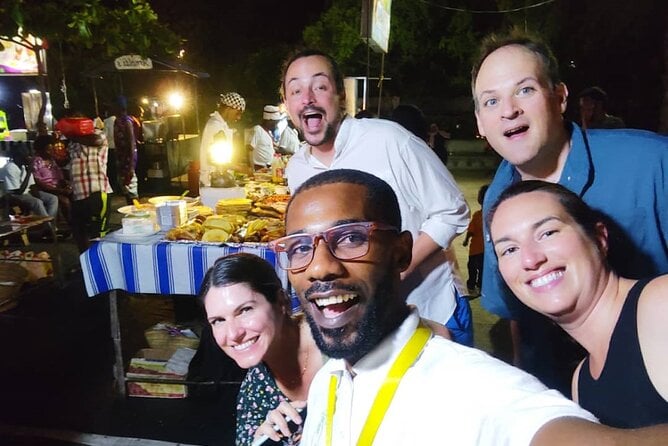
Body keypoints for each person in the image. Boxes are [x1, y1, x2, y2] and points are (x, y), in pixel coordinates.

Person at [266, 168, 668, 444]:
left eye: (352, 238)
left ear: (403, 253)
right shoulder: (328, 383)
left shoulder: (473, 387)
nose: (320, 266)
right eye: (299, 247)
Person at [472, 29, 668, 390]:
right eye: (491, 101)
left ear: (560, 97)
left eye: (525, 90)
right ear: (480, 123)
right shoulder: (498, 204)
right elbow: (519, 317)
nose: (509, 110)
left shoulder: (652, 163)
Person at [281, 49, 473, 345]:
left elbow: (453, 210)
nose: (307, 98)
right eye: (295, 90)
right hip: (364, 321)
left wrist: (395, 270)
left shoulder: (390, 140)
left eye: (319, 86)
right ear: (287, 103)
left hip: (432, 309)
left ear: (341, 96)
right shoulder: (297, 169)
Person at [487, 180, 668, 428]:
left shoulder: (660, 306)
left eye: (548, 233)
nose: (530, 259)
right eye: (509, 250)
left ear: (599, 238)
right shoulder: (581, 382)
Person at [199, 253, 322, 445]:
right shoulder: (255, 390)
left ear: (281, 302)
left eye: (245, 310)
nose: (233, 334)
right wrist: (263, 441)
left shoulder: (337, 344)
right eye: (218, 321)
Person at [63, 120, 113, 252]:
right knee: (80, 233)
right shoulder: (72, 142)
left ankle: (100, 267)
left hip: (96, 191)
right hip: (78, 194)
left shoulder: (96, 134)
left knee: (98, 236)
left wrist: (70, 134)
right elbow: (67, 162)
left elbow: (96, 141)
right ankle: (86, 264)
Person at [0, 143, 59, 225]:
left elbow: (32, 185)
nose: (28, 157)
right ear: (18, 157)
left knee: (53, 199)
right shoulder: (10, 168)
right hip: (13, 195)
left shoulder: (24, 166)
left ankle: (49, 225)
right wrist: (29, 172)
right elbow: (19, 191)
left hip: (27, 192)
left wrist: (38, 195)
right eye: (25, 155)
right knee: (37, 202)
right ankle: (49, 227)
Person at [199, 92, 246, 186]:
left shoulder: (221, 124)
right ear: (229, 108)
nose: (238, 117)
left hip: (219, 180)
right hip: (213, 181)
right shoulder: (216, 126)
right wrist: (240, 168)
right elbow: (216, 159)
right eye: (237, 113)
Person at [31, 134, 73, 226]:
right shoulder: (36, 162)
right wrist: (59, 190)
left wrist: (66, 185)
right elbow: (38, 182)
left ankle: (75, 225)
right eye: (48, 150)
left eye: (51, 149)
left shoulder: (52, 160)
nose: (51, 152)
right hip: (45, 190)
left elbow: (60, 177)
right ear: (40, 150)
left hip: (57, 188)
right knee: (65, 201)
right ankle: (67, 226)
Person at [463, 184, 488, 295]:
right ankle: (479, 286)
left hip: (475, 250)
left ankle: (472, 285)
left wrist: (466, 240)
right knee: (482, 269)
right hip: (486, 251)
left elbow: (471, 231)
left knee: (472, 268)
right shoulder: (493, 216)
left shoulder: (478, 215)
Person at [113, 96, 138, 204]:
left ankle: (137, 213)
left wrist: (131, 167)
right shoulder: (117, 121)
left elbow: (132, 144)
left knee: (131, 188)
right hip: (122, 159)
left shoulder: (127, 121)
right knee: (126, 189)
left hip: (128, 160)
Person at [247, 105, 281, 169]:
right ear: (269, 120)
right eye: (275, 123)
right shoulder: (257, 129)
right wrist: (251, 169)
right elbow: (249, 149)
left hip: (268, 168)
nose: (276, 126)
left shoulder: (269, 132)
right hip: (259, 168)